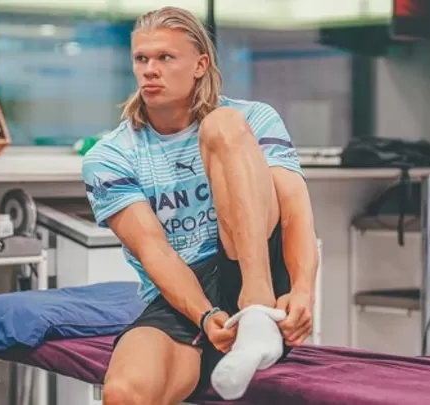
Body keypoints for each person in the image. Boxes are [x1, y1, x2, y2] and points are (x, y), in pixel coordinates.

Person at [81, 6, 318, 405]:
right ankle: (241, 334)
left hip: (254, 268)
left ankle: (257, 312)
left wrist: (304, 292)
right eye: (141, 59)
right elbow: (155, 252)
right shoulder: (110, 156)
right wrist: (206, 317)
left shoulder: (254, 119)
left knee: (221, 125)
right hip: (186, 293)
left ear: (200, 65)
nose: (150, 70)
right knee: (123, 393)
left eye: (165, 57)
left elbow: (295, 215)